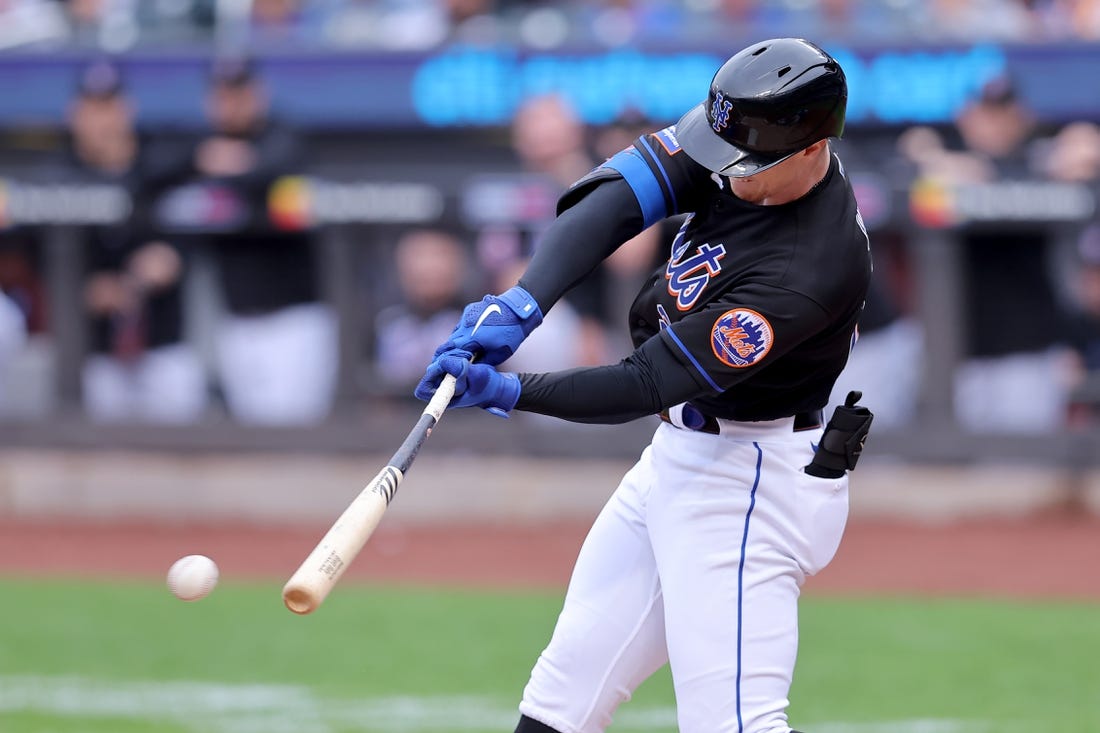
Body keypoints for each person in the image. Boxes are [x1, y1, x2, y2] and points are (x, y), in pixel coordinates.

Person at [416, 38, 874, 733]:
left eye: (743, 164)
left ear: (813, 148)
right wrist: (523, 302)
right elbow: (614, 199)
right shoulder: (747, 143)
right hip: (680, 458)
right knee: (562, 698)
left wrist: (510, 390)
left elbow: (644, 382)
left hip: (749, 484)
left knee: (733, 724)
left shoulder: (808, 268)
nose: (722, 171)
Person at [183, 55, 337, 425]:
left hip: (295, 324)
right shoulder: (201, 147)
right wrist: (206, 161)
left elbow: (275, 168)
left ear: (259, 94)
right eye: (223, 95)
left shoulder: (284, 138)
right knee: (250, 438)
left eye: (240, 93)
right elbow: (158, 171)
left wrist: (230, 165)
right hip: (236, 325)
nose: (232, 104)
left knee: (298, 436)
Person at [66, 59, 208, 423]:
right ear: (75, 115)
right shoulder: (62, 177)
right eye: (93, 108)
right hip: (96, 354)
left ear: (128, 109)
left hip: (163, 347)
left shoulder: (159, 164)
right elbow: (41, 262)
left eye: (110, 106)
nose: (103, 120)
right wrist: (85, 288)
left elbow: (191, 231)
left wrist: (171, 256)